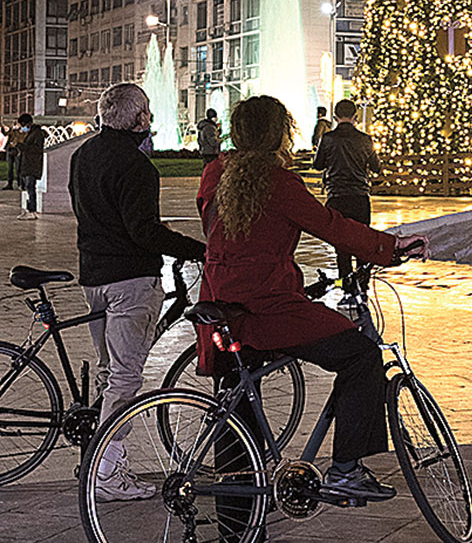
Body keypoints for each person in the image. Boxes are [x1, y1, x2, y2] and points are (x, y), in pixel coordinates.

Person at [196, 94, 427, 501]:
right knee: (361, 356)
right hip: (266, 302)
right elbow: (331, 226)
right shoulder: (278, 182)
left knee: (236, 400)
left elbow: (212, 226)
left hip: (221, 299)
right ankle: (345, 469)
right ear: (279, 134)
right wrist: (390, 248)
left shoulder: (216, 172)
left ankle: (239, 514)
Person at [70, 83, 206, 501]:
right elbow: (143, 232)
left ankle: (107, 460)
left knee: (112, 372)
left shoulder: (82, 155)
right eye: (147, 111)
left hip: (93, 278)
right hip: (130, 281)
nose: (150, 118)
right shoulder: (138, 166)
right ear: (140, 119)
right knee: (126, 377)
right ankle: (105, 472)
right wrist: (197, 249)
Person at [313, 99, 380, 290]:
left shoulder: (328, 139)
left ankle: (347, 287)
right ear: (355, 117)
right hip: (359, 196)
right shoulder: (365, 140)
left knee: (341, 246)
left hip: (336, 196)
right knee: (363, 243)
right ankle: (363, 285)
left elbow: (318, 165)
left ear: (335, 117)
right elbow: (376, 167)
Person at [16, 114, 46, 220]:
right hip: (26, 165)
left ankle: (32, 211)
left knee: (31, 188)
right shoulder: (31, 134)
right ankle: (28, 209)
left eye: (22, 125)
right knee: (27, 188)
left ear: (27, 123)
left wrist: (23, 147)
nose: (22, 127)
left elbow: (37, 149)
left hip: (32, 166)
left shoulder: (37, 134)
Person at [4, 120, 24, 191]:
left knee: (18, 168)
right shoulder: (12, 131)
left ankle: (20, 183)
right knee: (10, 168)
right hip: (10, 149)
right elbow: (6, 133)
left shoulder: (22, 132)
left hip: (17, 150)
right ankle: (10, 183)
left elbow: (22, 140)